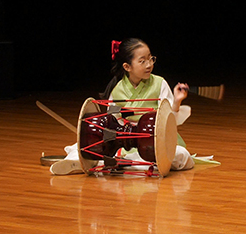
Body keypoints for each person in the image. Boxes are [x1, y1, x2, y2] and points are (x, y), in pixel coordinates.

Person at [50, 38, 209, 175]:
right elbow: (112, 122)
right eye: (142, 61)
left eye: (151, 59)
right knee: (82, 146)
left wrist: (177, 101)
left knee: (182, 155)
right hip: (125, 142)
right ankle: (78, 163)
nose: (149, 64)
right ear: (127, 67)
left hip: (155, 142)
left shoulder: (159, 83)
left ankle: (119, 164)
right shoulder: (118, 90)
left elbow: (170, 122)